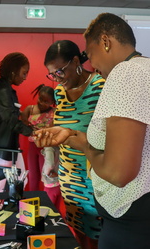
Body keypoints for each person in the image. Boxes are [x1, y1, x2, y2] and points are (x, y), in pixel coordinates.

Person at [34, 12, 150, 249]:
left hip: (129, 215)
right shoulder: (143, 68)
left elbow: (119, 173)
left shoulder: (125, 73)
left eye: (90, 53)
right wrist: (69, 135)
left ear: (105, 42)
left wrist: (86, 147)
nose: (92, 63)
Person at [42, 40, 105, 249]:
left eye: (60, 71)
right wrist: (50, 156)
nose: (57, 79)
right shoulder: (59, 93)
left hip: (94, 178)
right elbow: (60, 129)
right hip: (69, 178)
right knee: (77, 237)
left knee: (97, 238)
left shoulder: (100, 86)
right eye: (52, 74)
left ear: (76, 61)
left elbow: (109, 138)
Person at [0, 52, 33, 193]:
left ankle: (15, 206)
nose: (25, 77)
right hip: (2, 145)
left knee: (21, 179)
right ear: (14, 72)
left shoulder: (5, 88)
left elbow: (9, 112)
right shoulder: (2, 89)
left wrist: (21, 114)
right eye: (24, 73)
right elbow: (10, 121)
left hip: (8, 143)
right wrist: (33, 132)